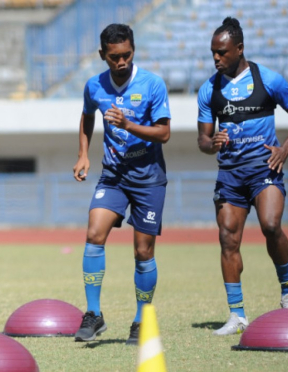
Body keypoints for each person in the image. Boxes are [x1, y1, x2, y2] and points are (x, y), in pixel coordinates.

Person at [196, 17, 288, 336]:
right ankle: (237, 315)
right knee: (227, 239)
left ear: (239, 49)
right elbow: (203, 140)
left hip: (264, 169)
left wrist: (283, 150)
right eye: (212, 53)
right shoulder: (209, 90)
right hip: (230, 175)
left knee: (271, 225)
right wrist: (212, 142)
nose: (216, 58)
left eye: (221, 52)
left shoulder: (267, 79)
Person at [72, 23, 171, 345]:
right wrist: (83, 154)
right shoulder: (94, 86)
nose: (122, 62)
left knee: (143, 251)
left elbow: (164, 133)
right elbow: (87, 115)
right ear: (103, 55)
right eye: (115, 57)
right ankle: (94, 313)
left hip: (148, 179)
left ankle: (142, 320)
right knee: (94, 233)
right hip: (113, 175)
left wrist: (128, 123)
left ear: (133, 51)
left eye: (127, 55)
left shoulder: (152, 84)